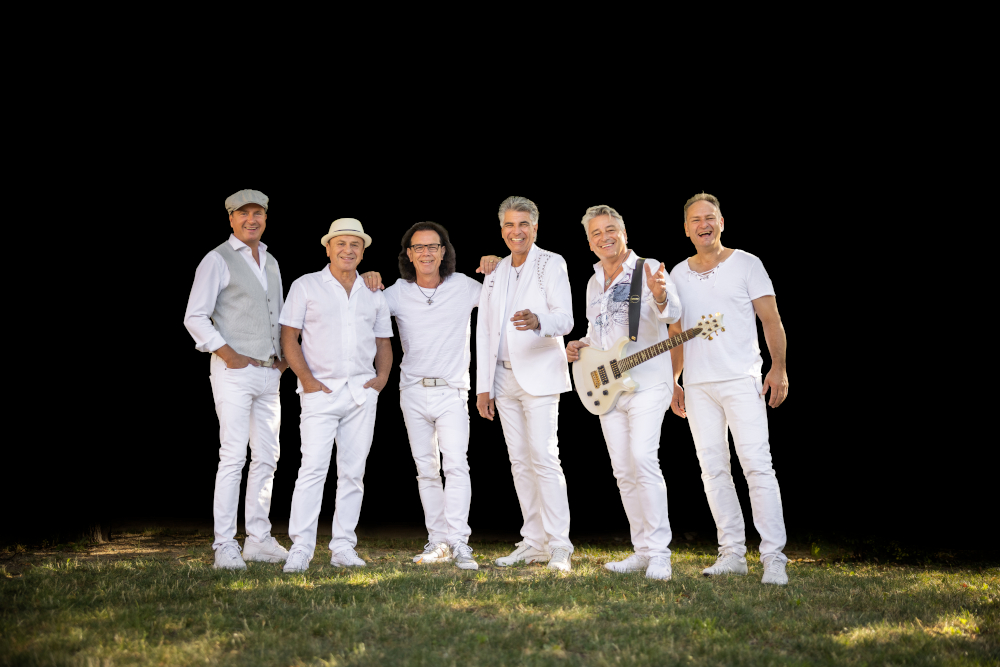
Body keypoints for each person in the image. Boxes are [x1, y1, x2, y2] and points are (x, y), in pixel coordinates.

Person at [668, 192, 790, 586]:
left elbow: (771, 319)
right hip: (698, 386)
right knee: (713, 470)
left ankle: (773, 558)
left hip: (741, 379)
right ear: (686, 229)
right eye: (695, 220)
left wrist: (778, 368)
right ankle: (732, 553)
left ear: (721, 223)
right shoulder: (677, 274)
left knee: (757, 466)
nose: (703, 225)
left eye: (710, 217)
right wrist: (674, 380)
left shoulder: (747, 264)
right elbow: (677, 333)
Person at [565, 205, 681, 581]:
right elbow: (597, 332)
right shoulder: (593, 281)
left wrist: (660, 296)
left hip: (649, 382)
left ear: (624, 233)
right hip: (610, 386)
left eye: (610, 229)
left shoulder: (648, 268)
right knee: (623, 470)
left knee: (643, 459)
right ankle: (642, 550)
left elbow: (672, 314)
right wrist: (580, 345)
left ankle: (660, 554)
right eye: (596, 233)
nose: (605, 237)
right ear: (589, 243)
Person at [183, 189, 290, 570]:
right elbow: (195, 316)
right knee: (233, 456)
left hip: (269, 372)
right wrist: (228, 354)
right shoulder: (217, 259)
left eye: (257, 213)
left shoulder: (271, 261)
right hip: (234, 371)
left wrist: (282, 361)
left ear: (265, 218)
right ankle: (224, 545)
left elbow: (277, 314)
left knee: (268, 456)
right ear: (231, 219)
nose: (251, 219)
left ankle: (257, 540)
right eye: (243, 213)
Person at [279, 218, 393, 573]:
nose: (348, 250)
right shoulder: (306, 285)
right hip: (320, 392)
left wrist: (381, 379)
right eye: (340, 243)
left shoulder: (372, 291)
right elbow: (289, 336)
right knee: (312, 470)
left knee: (353, 474)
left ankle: (343, 547)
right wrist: (307, 380)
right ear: (328, 248)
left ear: (363, 251)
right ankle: (301, 548)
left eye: (355, 244)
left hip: (361, 393)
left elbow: (383, 341)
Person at [373, 222, 487, 570]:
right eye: (418, 247)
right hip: (412, 391)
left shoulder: (464, 286)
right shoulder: (396, 293)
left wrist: (498, 265)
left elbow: (503, 298)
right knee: (426, 469)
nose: (426, 253)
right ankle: (438, 541)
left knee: (456, 465)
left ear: (443, 252)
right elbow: (360, 311)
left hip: (452, 390)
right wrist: (365, 279)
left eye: (432, 246)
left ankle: (459, 541)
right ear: (409, 254)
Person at [475, 195, 575, 572]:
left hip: (540, 372)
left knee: (544, 457)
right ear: (501, 230)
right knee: (519, 462)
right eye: (509, 225)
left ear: (535, 227)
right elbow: (485, 330)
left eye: (523, 225)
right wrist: (483, 386)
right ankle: (534, 542)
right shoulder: (496, 269)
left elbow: (565, 319)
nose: (516, 231)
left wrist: (538, 321)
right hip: (502, 377)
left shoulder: (551, 262)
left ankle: (560, 545)